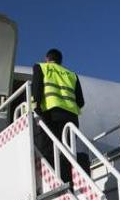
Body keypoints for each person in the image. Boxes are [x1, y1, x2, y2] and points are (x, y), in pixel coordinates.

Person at [32, 48, 87, 182]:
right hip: (71, 117)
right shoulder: (71, 74)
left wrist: (36, 108)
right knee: (68, 150)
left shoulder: (41, 67)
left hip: (51, 113)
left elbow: (37, 89)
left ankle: (53, 180)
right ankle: (70, 181)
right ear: (61, 61)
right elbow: (81, 101)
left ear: (47, 58)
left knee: (47, 148)